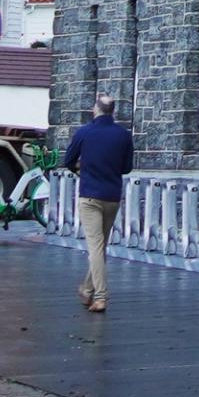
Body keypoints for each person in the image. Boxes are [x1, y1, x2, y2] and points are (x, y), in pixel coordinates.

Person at [66, 94, 134, 312]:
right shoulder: (123, 135)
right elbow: (126, 168)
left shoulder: (84, 132)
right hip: (112, 197)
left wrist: (81, 168)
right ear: (112, 111)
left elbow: (68, 160)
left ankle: (101, 296)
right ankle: (86, 289)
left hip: (90, 197)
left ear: (96, 109)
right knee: (100, 246)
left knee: (95, 247)